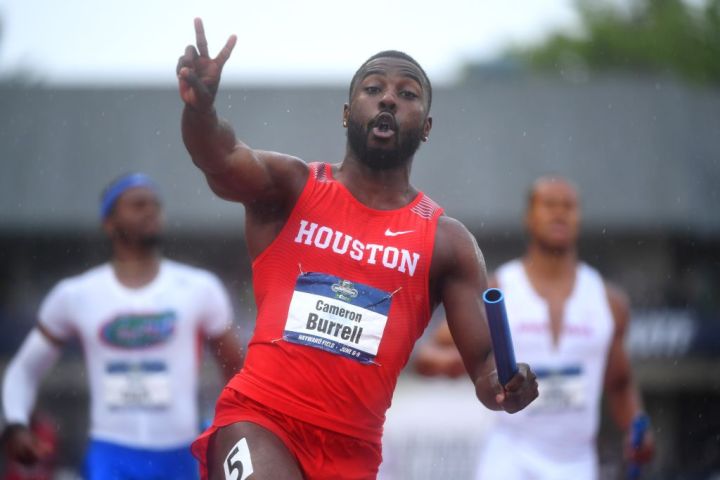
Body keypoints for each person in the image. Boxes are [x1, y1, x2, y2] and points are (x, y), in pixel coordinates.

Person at [176, 18, 538, 480]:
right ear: (347, 113)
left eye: (407, 94)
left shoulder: (447, 243)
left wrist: (509, 384)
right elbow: (219, 157)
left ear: (425, 127)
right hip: (259, 419)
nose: (388, 98)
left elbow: (488, 371)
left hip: (353, 452)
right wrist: (201, 111)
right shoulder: (291, 188)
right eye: (373, 88)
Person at [1, 173, 244, 480]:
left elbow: (237, 372)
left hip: (183, 453)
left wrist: (230, 430)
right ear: (109, 222)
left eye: (155, 204)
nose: (150, 210)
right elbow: (24, 370)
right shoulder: (76, 295)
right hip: (111, 455)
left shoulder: (200, 288)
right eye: (137, 204)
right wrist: (16, 424)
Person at [415, 175, 655, 479]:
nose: (559, 213)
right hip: (511, 456)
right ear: (529, 216)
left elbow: (620, 384)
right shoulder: (499, 290)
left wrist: (637, 426)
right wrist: (479, 366)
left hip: (577, 462)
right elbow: (427, 357)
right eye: (549, 205)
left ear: (580, 217)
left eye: (568, 206)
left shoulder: (609, 302)